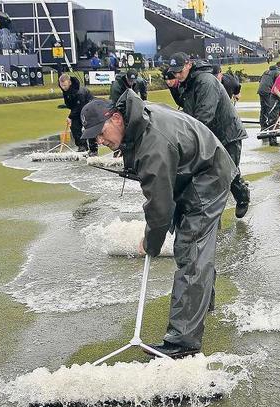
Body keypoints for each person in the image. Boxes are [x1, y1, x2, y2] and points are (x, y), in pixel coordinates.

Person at [81, 92, 237, 358]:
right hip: (194, 166)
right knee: (193, 244)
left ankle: (183, 342)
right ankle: (202, 302)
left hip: (207, 176)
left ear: (116, 117)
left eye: (101, 132)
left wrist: (150, 242)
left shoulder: (153, 144)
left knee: (191, 248)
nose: (100, 141)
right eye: (95, 137)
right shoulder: (137, 116)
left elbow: (159, 209)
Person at [168, 52, 251, 218]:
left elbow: (204, 115)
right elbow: (187, 109)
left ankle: (243, 197)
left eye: (179, 71)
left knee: (227, 173)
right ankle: (211, 219)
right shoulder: (187, 83)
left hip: (227, 134)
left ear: (188, 64)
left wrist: (186, 141)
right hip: (209, 134)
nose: (177, 75)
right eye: (174, 72)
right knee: (210, 176)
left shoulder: (205, 81)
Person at [58, 74, 97, 155]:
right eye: (61, 85)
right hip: (78, 109)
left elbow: (79, 106)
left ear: (69, 83)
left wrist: (70, 116)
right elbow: (72, 104)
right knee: (75, 127)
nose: (63, 87)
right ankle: (82, 146)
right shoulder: (66, 90)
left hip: (88, 108)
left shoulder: (79, 92)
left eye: (65, 85)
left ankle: (93, 149)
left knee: (89, 128)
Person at [256, 61, 280, 144]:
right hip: (268, 91)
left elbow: (260, 81)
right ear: (279, 67)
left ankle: (263, 127)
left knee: (263, 109)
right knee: (271, 109)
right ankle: (273, 128)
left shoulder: (266, 72)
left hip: (261, 91)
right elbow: (279, 85)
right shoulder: (277, 73)